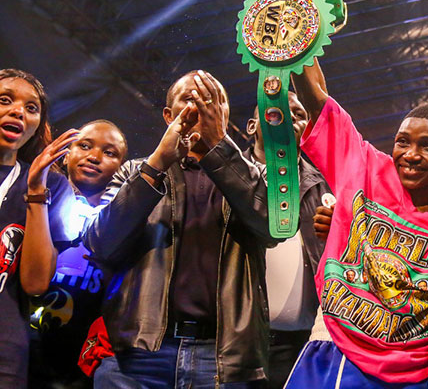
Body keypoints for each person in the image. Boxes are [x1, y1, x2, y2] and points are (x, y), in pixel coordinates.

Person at [280, 57, 428, 388]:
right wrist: (299, 40)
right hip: (336, 348)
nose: (410, 154)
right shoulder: (365, 167)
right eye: (403, 141)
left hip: (419, 368)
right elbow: (318, 100)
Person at [84, 70, 276, 388]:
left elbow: (273, 228)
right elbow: (100, 243)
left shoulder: (257, 175)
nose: (199, 105)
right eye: (189, 98)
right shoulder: (135, 170)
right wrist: (158, 162)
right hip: (139, 354)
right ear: (168, 116)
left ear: (225, 115)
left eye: (211, 100)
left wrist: (220, 150)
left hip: (223, 359)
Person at [28, 120, 129, 388]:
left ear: (123, 167)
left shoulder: (125, 225)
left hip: (81, 360)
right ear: (67, 152)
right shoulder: (34, 202)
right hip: (22, 344)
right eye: (84, 146)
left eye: (110, 153)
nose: (94, 157)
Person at [244, 92, 330, 389]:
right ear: (252, 126)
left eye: (299, 114)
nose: (291, 117)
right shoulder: (223, 179)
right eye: (279, 110)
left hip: (302, 344)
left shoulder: (325, 183)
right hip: (237, 342)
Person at [0, 68, 76, 387]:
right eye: (5, 100)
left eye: (32, 108)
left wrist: (35, 191)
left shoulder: (52, 186)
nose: (19, 111)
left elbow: (35, 283)